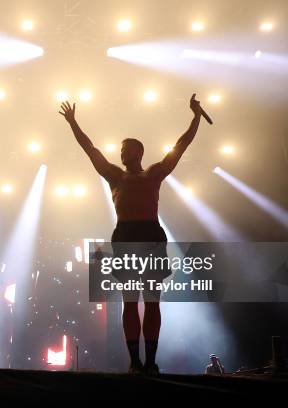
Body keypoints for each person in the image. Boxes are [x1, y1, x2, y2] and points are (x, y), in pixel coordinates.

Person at [59, 94, 203, 374]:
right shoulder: (115, 175)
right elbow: (90, 149)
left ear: (138, 152)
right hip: (125, 235)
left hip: (150, 234)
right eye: (121, 149)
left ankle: (150, 360)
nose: (121, 152)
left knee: (151, 300)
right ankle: (135, 361)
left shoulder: (154, 173)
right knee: (130, 300)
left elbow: (181, 145)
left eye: (125, 149)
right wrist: (73, 123)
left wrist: (195, 117)